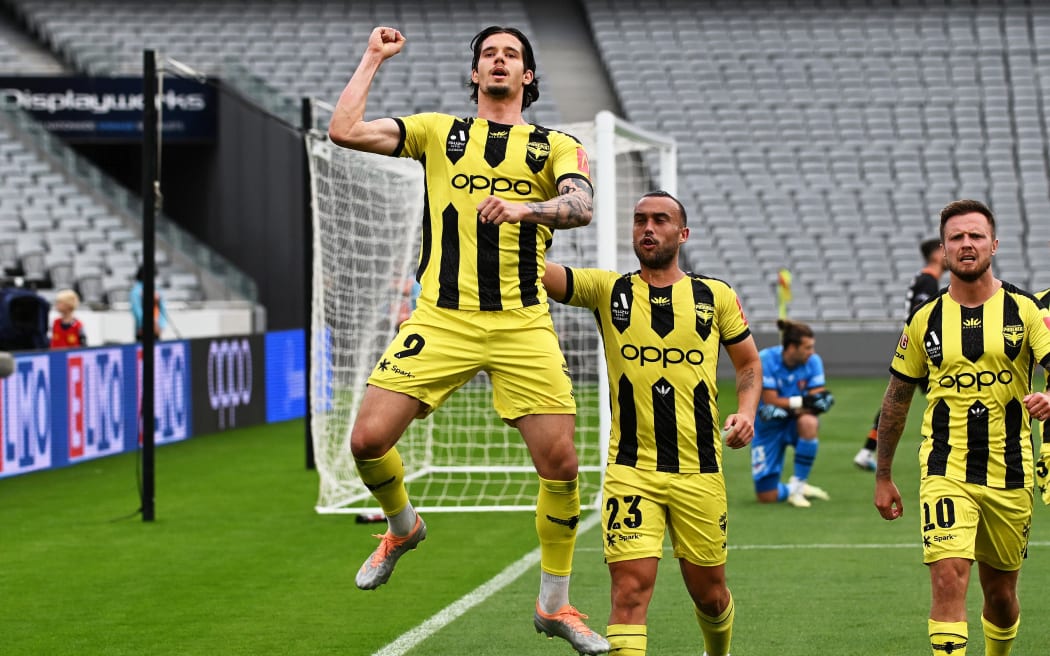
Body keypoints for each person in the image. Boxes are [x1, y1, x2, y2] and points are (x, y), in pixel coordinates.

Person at [328, 26, 607, 654]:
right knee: (367, 441)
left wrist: (526, 209)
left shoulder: (556, 145)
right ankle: (403, 526)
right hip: (442, 318)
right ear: (476, 73)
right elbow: (344, 130)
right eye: (488, 55)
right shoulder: (437, 132)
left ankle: (554, 605)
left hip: (521, 322)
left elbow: (581, 205)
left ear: (528, 76)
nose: (499, 61)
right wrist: (373, 57)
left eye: (511, 55)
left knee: (561, 465)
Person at [542, 190, 761, 656]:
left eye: (660, 220)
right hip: (631, 470)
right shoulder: (608, 290)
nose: (648, 227)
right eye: (640, 219)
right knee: (629, 592)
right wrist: (524, 218)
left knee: (710, 594)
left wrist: (746, 411)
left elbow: (748, 364)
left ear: (682, 234)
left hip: (699, 469)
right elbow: (541, 274)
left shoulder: (715, 295)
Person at [874, 199, 1050, 656]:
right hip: (945, 468)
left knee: (1002, 597)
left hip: (1011, 472)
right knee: (948, 578)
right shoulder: (924, 319)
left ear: (994, 244)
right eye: (956, 237)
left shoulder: (1026, 311)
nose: (966, 244)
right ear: (944, 249)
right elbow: (897, 398)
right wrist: (883, 474)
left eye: (975, 236)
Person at [854, 237, 947, 471]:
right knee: (948, 393)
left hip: (915, 346)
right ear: (937, 254)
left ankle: (866, 451)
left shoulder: (924, 279)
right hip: (921, 349)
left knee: (897, 398)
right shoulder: (928, 281)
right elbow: (921, 315)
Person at [750, 319, 835, 508]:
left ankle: (798, 485)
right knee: (766, 496)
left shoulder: (813, 361)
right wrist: (803, 402)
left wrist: (799, 405)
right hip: (768, 427)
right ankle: (793, 489)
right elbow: (771, 400)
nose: (811, 352)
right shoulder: (766, 359)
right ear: (791, 347)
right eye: (807, 347)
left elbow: (816, 400)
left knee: (809, 422)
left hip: (794, 422)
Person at [130, 264, 167, 341]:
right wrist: (147, 324)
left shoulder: (157, 290)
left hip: (156, 328)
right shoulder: (136, 291)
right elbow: (137, 311)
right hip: (143, 329)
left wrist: (161, 325)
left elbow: (162, 309)